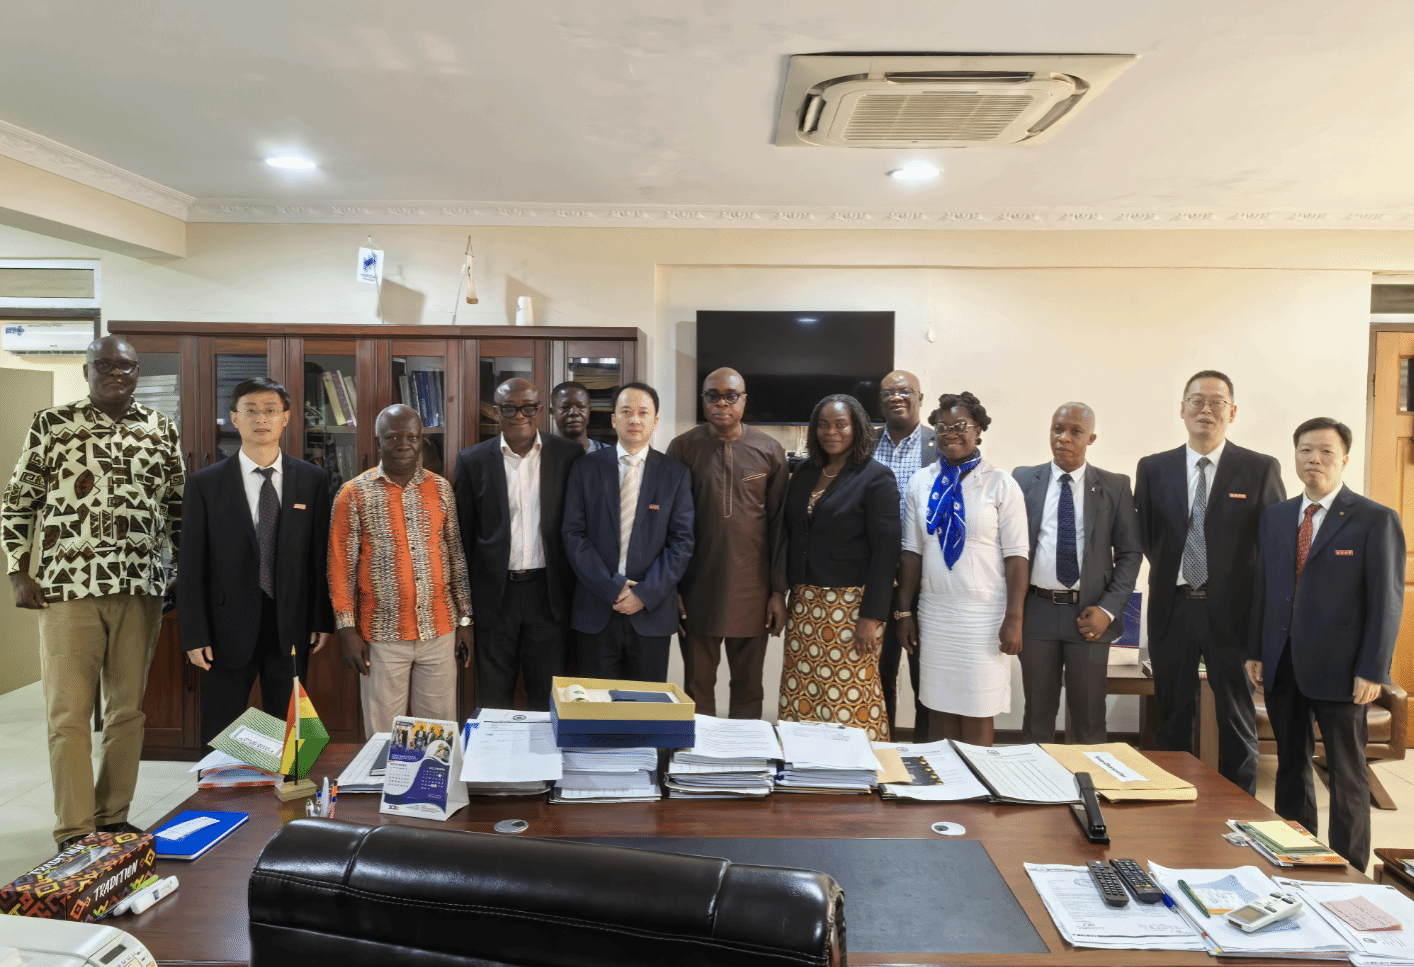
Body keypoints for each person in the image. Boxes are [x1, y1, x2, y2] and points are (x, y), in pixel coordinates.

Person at [2, 335, 184, 848]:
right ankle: (75, 828)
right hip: (67, 588)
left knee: (127, 712)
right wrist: (18, 571)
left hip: (140, 586)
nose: (115, 373)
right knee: (69, 714)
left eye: (125, 366)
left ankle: (113, 817)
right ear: (86, 372)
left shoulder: (160, 428)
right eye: (104, 365)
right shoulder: (52, 424)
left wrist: (183, 571)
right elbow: (18, 502)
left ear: (137, 372)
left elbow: (177, 507)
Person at [1246, 418, 1404, 870]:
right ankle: (1294, 858)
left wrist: (1373, 669)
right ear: (1295, 456)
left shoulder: (1374, 519)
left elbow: (1387, 601)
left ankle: (1349, 869)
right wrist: (1257, 649)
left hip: (1344, 671)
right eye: (1305, 451)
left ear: (1344, 460)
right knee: (1290, 768)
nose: (1314, 459)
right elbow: (1265, 587)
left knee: (1347, 775)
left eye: (1326, 452)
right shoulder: (1276, 517)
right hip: (1283, 664)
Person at [1135, 370, 1284, 795]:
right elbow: (1147, 535)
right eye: (1197, 401)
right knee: (1172, 715)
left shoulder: (1259, 468)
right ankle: (1174, 801)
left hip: (1233, 615)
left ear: (1232, 412)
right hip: (1174, 608)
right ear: (1182, 409)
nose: (1206, 409)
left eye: (1217, 402)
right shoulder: (1153, 468)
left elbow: (1272, 548)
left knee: (1236, 719)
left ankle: (1239, 807)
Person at [178, 377, 335, 747]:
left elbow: (318, 556)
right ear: (235, 418)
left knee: (290, 726)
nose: (261, 419)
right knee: (222, 726)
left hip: (290, 623)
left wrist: (320, 618)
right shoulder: (205, 483)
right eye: (250, 411)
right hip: (224, 625)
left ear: (285, 418)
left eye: (270, 410)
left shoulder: (312, 480)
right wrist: (195, 634)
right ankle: (220, 785)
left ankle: (288, 783)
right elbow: (191, 566)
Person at [329, 404, 473, 737]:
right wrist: (346, 630)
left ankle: (433, 777)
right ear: (378, 441)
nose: (404, 444)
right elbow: (340, 568)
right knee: (384, 735)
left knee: (438, 736)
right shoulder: (354, 493)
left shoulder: (441, 489)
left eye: (412, 437)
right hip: (382, 635)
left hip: (439, 631)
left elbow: (456, 556)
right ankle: (384, 775)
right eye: (393, 437)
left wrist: (466, 619)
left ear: (422, 440)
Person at [896, 392, 1028, 747]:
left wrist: (1014, 618)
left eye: (960, 426)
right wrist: (904, 611)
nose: (950, 433)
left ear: (978, 430)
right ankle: (947, 780)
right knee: (940, 708)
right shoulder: (921, 482)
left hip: (983, 618)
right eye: (942, 427)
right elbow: (911, 552)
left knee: (978, 708)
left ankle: (977, 780)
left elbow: (1017, 556)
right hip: (936, 614)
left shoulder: (1001, 484)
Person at [1012, 403, 1142, 745]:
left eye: (1075, 432)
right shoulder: (1023, 479)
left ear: (1091, 438)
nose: (1064, 438)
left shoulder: (1114, 486)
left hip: (1090, 615)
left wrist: (1108, 610)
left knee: (1089, 716)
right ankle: (1034, 779)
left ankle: (1090, 778)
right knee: (1036, 713)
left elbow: (1130, 553)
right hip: (1036, 611)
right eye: (1057, 429)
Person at [454, 377, 583, 711]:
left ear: (540, 410)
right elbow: (462, 540)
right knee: (493, 698)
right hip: (495, 599)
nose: (519, 415)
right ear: (496, 412)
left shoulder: (568, 455)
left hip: (549, 596)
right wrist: (465, 614)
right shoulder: (472, 461)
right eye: (509, 408)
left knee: (547, 699)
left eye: (528, 407)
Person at [667, 368, 788, 719]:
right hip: (696, 589)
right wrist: (671, 589)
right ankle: (698, 753)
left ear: (743, 400)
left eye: (731, 396)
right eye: (713, 396)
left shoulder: (770, 450)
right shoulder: (682, 448)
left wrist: (778, 592)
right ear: (703, 400)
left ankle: (744, 753)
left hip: (754, 590)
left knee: (749, 687)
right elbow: (667, 526)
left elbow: (780, 526)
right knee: (697, 687)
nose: (722, 403)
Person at [778, 394, 899, 740]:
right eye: (823, 424)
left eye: (840, 424)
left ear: (857, 428)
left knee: (850, 695)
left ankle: (861, 767)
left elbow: (886, 553)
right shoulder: (805, 472)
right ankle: (805, 764)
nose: (831, 432)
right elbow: (790, 533)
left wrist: (871, 617)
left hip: (851, 607)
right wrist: (780, 591)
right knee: (804, 692)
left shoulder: (876, 477)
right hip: (804, 604)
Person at [563, 382, 694, 681]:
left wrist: (644, 594)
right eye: (626, 412)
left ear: (655, 420)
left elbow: (681, 542)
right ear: (614, 419)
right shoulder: (585, 468)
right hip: (596, 608)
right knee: (596, 704)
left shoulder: (675, 474)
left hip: (650, 614)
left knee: (646, 705)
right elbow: (573, 535)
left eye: (643, 413)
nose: (635, 419)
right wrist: (612, 587)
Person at [872, 369, 939, 739]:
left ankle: (926, 752)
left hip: (927, 581)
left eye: (905, 390)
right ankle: (884, 751)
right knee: (877, 675)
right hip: (875, 578)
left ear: (920, 398)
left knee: (924, 675)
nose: (896, 397)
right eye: (888, 392)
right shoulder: (863, 443)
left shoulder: (940, 443)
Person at [551, 381, 611, 452]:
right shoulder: (542, 454)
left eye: (581, 407)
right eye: (565, 407)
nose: (574, 413)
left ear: (589, 411)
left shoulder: (610, 454)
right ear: (553, 413)